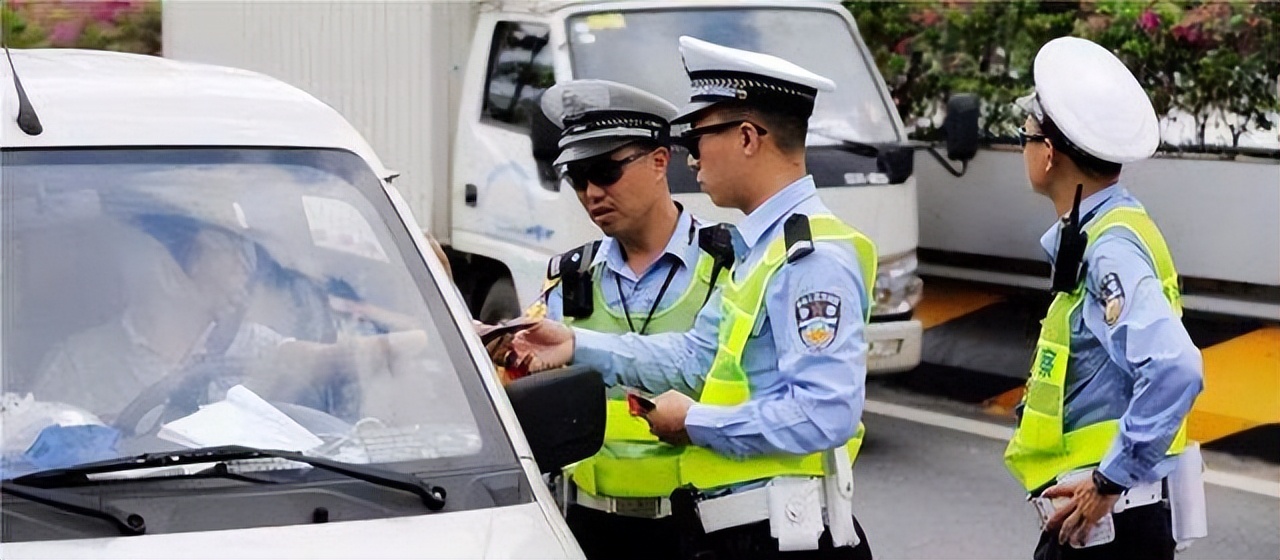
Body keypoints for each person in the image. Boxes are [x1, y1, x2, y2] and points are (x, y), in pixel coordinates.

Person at [509, 37, 876, 559]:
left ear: (747, 138)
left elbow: (825, 413)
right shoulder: (761, 249)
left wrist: (696, 423)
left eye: (699, 135)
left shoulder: (810, 258)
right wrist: (574, 344)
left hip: (780, 536)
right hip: (735, 534)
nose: (692, 154)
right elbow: (696, 359)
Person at [508, 79, 731, 560]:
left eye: (606, 171)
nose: (592, 192)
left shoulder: (731, 264)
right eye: (577, 177)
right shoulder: (568, 275)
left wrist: (577, 346)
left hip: (702, 528)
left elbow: (705, 368)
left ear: (659, 161)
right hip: (590, 528)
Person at [1001, 37, 1205, 560]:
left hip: (1108, 528)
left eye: (1025, 137)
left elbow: (1176, 367)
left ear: (1048, 154)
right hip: (1108, 524)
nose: (1024, 149)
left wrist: (1107, 481)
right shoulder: (1106, 229)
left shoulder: (1110, 248)